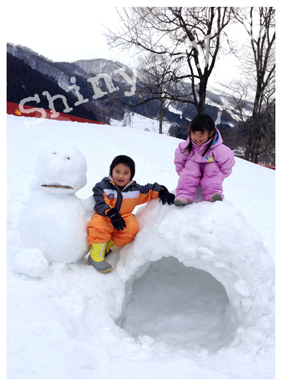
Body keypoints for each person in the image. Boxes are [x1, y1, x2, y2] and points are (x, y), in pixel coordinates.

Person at [87, 155, 175, 273]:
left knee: (132, 228)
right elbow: (100, 202)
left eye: (125, 173)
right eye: (117, 171)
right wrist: (111, 213)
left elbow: (149, 190)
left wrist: (162, 192)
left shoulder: (134, 190)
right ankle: (95, 256)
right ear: (111, 171)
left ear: (131, 175)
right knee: (98, 224)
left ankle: (107, 247)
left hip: (122, 217)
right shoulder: (102, 187)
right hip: (106, 216)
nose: (120, 176)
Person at [174, 113, 235, 206]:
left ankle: (212, 193)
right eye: (194, 133)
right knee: (191, 166)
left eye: (201, 134)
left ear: (210, 133)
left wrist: (220, 176)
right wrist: (183, 172)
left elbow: (227, 164)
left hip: (211, 173)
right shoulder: (185, 147)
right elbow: (179, 161)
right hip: (191, 172)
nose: (197, 138)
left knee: (212, 167)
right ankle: (184, 195)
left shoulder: (218, 149)